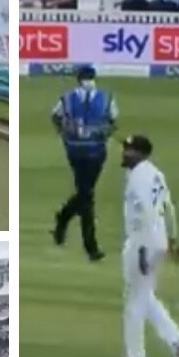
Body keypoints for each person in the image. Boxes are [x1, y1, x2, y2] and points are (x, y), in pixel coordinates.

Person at [111, 135, 179, 357]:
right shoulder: (155, 173)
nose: (124, 153)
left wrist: (142, 247)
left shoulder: (138, 178)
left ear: (141, 153)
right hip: (157, 239)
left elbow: (147, 210)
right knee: (143, 294)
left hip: (143, 241)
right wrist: (173, 239)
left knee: (135, 300)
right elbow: (170, 207)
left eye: (129, 150)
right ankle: (177, 340)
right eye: (125, 148)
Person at [51, 65, 117, 261]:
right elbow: (113, 120)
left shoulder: (68, 97)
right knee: (87, 195)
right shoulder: (106, 97)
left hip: (74, 150)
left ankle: (62, 219)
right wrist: (104, 133)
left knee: (84, 193)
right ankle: (91, 246)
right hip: (96, 151)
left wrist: (64, 132)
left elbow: (55, 116)